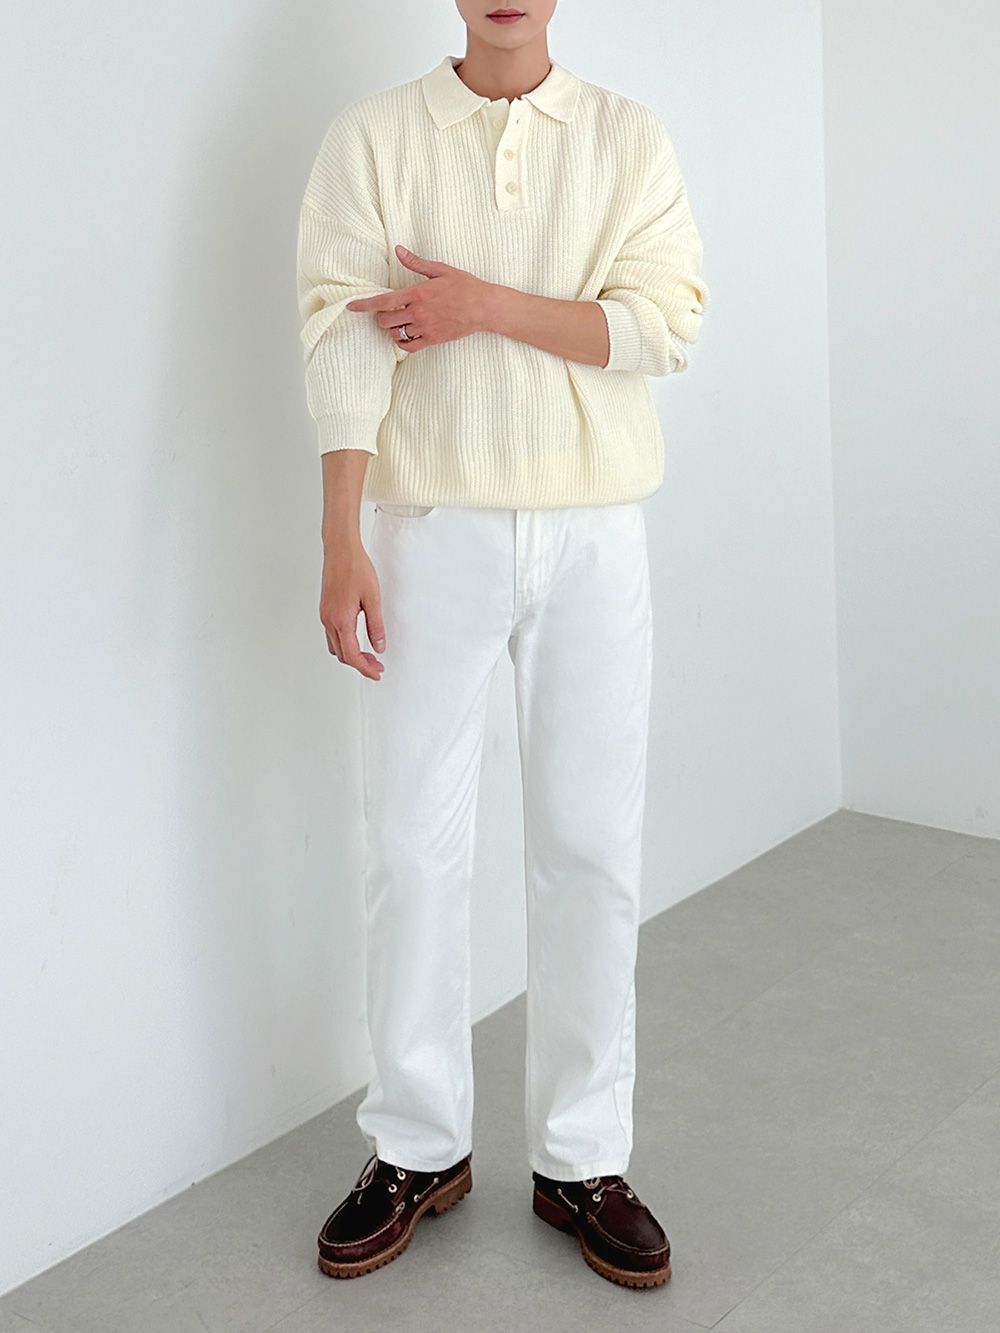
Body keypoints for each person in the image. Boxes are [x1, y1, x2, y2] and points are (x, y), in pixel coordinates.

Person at [295, 0, 708, 1291]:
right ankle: (416, 1143)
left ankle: (582, 1156)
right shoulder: (374, 139)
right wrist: (342, 535)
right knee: (412, 846)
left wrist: (480, 305)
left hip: (593, 532)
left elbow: (664, 327)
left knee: (591, 848)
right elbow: (341, 334)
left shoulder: (628, 139)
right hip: (428, 529)